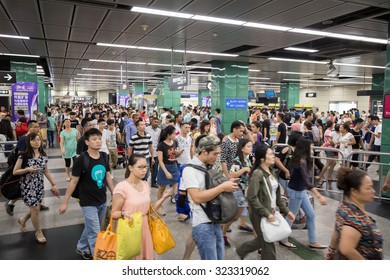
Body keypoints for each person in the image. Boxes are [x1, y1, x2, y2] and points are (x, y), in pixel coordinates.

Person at [59, 128, 115, 259]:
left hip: (102, 199)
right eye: (94, 139)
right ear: (87, 142)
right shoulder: (81, 159)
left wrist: (114, 193)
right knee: (95, 233)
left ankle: (81, 247)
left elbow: (107, 175)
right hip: (87, 202)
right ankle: (99, 258)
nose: (98, 141)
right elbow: (73, 182)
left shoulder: (104, 156)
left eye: (99, 138)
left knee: (91, 227)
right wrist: (65, 202)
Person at [181, 135, 238, 260]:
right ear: (204, 152)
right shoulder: (190, 170)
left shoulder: (206, 166)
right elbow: (196, 197)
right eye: (215, 154)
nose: (217, 158)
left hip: (215, 221)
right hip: (203, 225)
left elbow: (210, 188)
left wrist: (227, 183)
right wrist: (222, 187)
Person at [236, 144, 294, 260]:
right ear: (262, 158)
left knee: (263, 240)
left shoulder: (272, 172)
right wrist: (266, 213)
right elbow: (252, 197)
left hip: (270, 211)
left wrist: (286, 211)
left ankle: (242, 250)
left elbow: (277, 196)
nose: (274, 156)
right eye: (271, 154)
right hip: (259, 213)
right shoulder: (257, 174)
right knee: (268, 244)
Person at [111, 154, 172, 260]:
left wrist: (164, 197)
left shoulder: (145, 185)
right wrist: (122, 213)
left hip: (145, 228)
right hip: (129, 229)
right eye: (140, 167)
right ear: (130, 168)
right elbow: (114, 213)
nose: (144, 170)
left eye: (145, 167)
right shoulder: (122, 187)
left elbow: (148, 210)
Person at [279, 137, 327, 249]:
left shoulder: (302, 158)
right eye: (311, 145)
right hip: (296, 192)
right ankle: (283, 238)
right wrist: (319, 195)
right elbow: (306, 181)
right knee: (291, 216)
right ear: (305, 147)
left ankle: (313, 241)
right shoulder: (301, 160)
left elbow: (303, 178)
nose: (313, 147)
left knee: (311, 215)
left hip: (300, 191)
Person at [326, 168, 382, 260]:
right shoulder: (355, 218)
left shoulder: (344, 206)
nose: (373, 191)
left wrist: (331, 249)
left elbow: (337, 229)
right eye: (368, 188)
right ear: (354, 191)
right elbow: (346, 249)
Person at [13, 133, 59, 243]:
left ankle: (23, 219)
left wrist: (53, 184)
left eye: (38, 140)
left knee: (36, 208)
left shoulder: (43, 155)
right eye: (33, 140)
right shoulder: (23, 155)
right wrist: (27, 169)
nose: (37, 142)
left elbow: (46, 171)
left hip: (39, 184)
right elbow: (15, 171)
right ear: (29, 142)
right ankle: (38, 232)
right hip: (27, 186)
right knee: (35, 209)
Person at [222, 138, 254, 247]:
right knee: (234, 217)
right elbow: (231, 175)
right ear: (242, 148)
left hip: (247, 191)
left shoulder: (248, 159)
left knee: (253, 216)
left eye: (251, 146)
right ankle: (222, 234)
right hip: (239, 192)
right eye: (248, 147)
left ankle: (260, 243)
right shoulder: (237, 161)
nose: (251, 148)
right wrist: (244, 169)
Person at [155, 125, 180, 216]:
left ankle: (179, 209)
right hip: (164, 168)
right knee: (162, 188)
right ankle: (159, 206)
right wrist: (166, 172)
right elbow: (160, 161)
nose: (175, 135)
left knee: (176, 188)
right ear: (168, 134)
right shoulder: (161, 145)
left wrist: (178, 154)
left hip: (174, 166)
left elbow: (173, 155)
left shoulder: (174, 142)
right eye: (173, 134)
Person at [145, 116, 161, 188]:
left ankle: (153, 182)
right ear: (151, 122)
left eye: (157, 122)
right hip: (147, 151)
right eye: (155, 122)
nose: (156, 123)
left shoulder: (159, 131)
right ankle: (144, 182)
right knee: (147, 167)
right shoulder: (146, 129)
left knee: (155, 168)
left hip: (156, 152)